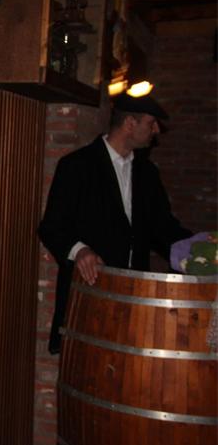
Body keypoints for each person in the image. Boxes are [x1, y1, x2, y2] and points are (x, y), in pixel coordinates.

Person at [38, 91, 192, 354]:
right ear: (130, 123)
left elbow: (164, 228)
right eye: (151, 123)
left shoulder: (147, 173)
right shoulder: (77, 165)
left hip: (133, 296)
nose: (156, 130)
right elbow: (52, 226)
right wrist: (79, 250)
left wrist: (201, 251)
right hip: (90, 294)